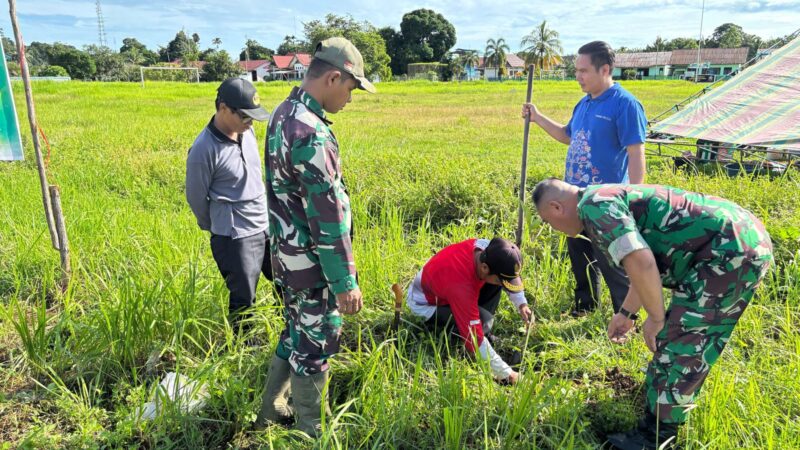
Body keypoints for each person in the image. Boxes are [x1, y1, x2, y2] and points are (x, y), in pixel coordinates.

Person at [532, 178, 773, 449]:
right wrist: (627, 313)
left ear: (556, 207)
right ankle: (658, 403)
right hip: (733, 239)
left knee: (685, 341)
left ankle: (657, 436)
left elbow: (643, 262)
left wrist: (657, 319)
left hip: (729, 251)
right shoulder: (601, 197)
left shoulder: (593, 208)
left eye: (548, 222)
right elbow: (644, 266)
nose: (554, 229)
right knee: (679, 335)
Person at [256, 37, 376, 436]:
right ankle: (312, 430)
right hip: (313, 265)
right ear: (333, 77)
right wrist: (345, 282)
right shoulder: (310, 132)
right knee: (316, 343)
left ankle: (272, 408)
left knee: (296, 330)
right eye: (351, 88)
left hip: (287, 258)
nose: (351, 97)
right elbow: (327, 217)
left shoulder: (283, 113)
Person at [522, 41, 647, 316]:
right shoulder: (584, 104)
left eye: (584, 71)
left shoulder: (625, 105)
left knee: (612, 260)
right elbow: (568, 136)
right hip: (574, 199)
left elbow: (636, 155)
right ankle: (585, 306)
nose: (578, 76)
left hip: (606, 203)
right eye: (576, 70)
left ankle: (626, 317)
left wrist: (636, 199)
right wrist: (538, 118)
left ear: (605, 69)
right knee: (580, 256)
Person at [185, 77, 276, 335]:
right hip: (235, 236)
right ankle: (244, 349)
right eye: (245, 117)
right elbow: (195, 197)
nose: (249, 123)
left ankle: (291, 332)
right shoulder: (204, 149)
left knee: (287, 282)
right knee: (244, 298)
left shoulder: (247, 132)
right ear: (224, 108)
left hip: (265, 224)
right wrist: (217, 225)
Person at [406, 237, 532, 384]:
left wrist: (522, 303)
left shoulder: (486, 250)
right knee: (483, 322)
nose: (503, 284)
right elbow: (474, 338)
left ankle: (484, 334)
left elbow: (507, 275)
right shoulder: (460, 287)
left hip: (446, 287)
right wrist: (508, 374)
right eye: (500, 280)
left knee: (495, 283)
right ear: (484, 268)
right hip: (427, 305)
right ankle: (471, 343)